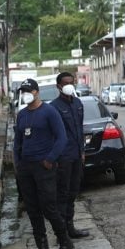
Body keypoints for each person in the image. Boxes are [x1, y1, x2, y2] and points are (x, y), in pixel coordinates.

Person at [13, 78, 74, 249]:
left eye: (28, 91)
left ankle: (65, 243)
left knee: (49, 207)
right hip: (26, 168)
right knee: (32, 209)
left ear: (36, 92)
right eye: (22, 91)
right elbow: (18, 142)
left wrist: (50, 159)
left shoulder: (49, 111)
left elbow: (61, 138)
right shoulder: (22, 115)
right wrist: (18, 163)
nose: (25, 94)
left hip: (44, 167)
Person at [50, 72, 90, 239]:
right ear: (58, 86)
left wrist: (82, 152)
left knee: (74, 191)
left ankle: (70, 227)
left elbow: (79, 130)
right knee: (63, 193)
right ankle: (62, 231)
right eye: (66, 83)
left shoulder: (78, 103)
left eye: (71, 82)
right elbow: (53, 135)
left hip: (76, 155)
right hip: (63, 158)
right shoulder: (54, 107)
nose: (69, 85)